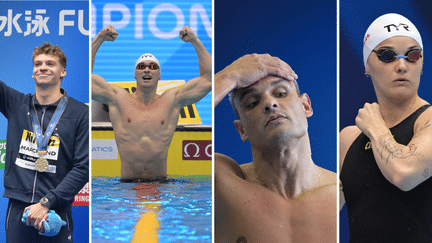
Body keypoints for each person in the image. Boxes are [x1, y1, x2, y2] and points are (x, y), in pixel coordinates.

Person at [214, 54, 337, 242]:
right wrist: (228, 77)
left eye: (280, 93)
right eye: (252, 103)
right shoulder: (223, 183)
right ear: (241, 130)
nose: (270, 104)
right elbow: (162, 134)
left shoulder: (343, 191)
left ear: (306, 106)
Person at [340, 13, 432, 242]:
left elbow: (405, 174)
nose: (402, 66)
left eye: (412, 55)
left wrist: (375, 126)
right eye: (387, 55)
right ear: (367, 65)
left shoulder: (428, 121)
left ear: (421, 64)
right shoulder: (349, 139)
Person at [92, 25, 211, 181]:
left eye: (152, 67)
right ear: (135, 74)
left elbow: (209, 79)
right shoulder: (117, 98)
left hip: (161, 185)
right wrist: (99, 38)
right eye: (141, 67)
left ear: (159, 74)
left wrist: (195, 40)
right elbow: (85, 77)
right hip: (127, 186)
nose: (147, 70)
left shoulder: (173, 100)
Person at [0, 43, 89, 242]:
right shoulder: (16, 103)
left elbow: (83, 167)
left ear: (63, 71)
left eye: (50, 63)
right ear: (32, 72)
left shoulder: (80, 113)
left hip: (56, 209)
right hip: (18, 209)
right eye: (38, 63)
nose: (43, 67)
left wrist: (47, 202)